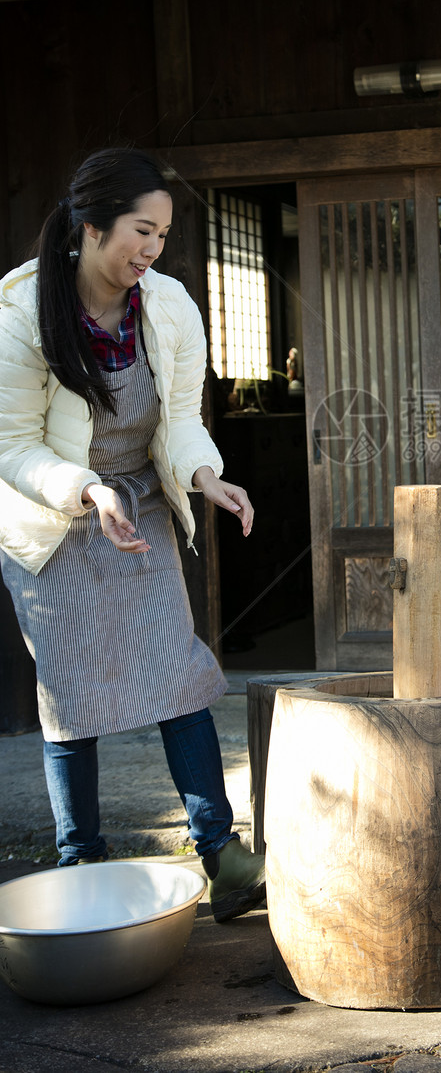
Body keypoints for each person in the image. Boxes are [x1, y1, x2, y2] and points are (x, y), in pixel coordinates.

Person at [0, 147, 265, 922]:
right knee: (70, 695)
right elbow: (12, 444)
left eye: (162, 235)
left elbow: (181, 421)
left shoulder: (171, 307)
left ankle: (223, 856)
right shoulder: (21, 315)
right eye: (140, 232)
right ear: (91, 226)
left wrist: (205, 476)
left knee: (178, 671)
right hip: (51, 519)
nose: (151, 250)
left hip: (142, 500)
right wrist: (84, 489)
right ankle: (80, 863)